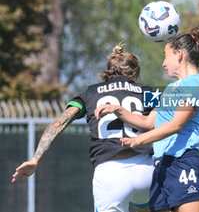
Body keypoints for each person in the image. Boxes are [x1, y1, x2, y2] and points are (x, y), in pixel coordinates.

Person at [12, 45, 155, 212]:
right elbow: (168, 123)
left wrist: (35, 158)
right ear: (135, 73)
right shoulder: (149, 91)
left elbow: (59, 122)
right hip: (147, 170)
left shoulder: (90, 92)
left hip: (110, 174)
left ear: (107, 72)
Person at [94, 23, 199, 212]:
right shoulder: (171, 89)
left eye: (166, 56)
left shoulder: (196, 84)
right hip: (161, 164)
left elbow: (175, 125)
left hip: (184, 162)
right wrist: (118, 110)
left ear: (179, 54)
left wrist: (138, 140)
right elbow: (149, 122)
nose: (164, 63)